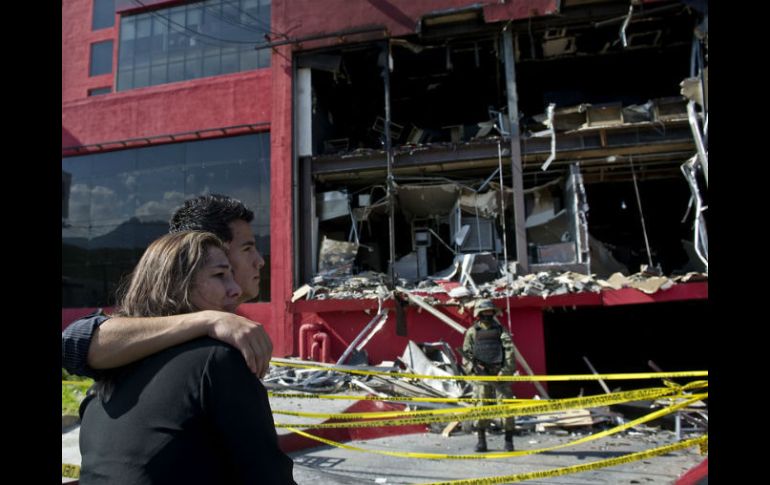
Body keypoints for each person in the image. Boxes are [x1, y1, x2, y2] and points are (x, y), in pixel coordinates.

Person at [78, 231, 296, 484]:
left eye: (232, 276)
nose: (235, 289)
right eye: (220, 275)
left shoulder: (110, 370)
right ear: (177, 285)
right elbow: (267, 474)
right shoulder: (218, 360)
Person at [62, 194, 273, 379]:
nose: (260, 261)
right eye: (247, 248)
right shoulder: (157, 341)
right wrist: (210, 320)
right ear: (210, 249)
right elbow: (75, 341)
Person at [461, 298, 517, 452]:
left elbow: (509, 352)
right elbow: (466, 355)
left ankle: (508, 441)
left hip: (500, 376)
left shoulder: (500, 330)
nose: (488, 314)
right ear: (478, 313)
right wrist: (473, 370)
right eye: (484, 311)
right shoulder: (472, 332)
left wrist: (504, 371)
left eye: (490, 311)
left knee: (506, 408)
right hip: (482, 378)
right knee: (481, 409)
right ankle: (481, 441)